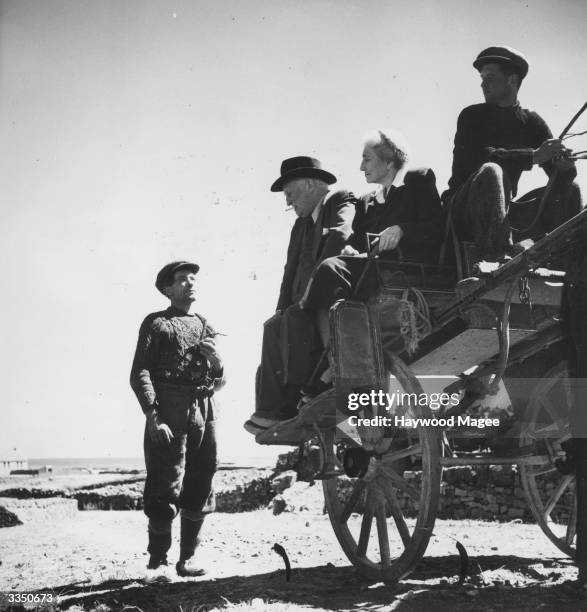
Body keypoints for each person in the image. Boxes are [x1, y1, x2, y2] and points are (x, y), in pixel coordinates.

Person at [244, 156, 356, 434]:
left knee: (294, 317)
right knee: (273, 325)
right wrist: (280, 307)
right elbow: (289, 271)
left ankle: (302, 393)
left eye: (289, 193)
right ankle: (270, 412)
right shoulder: (300, 226)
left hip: (334, 294)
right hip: (301, 305)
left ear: (310, 184)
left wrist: (312, 289)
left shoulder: (339, 200)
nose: (287, 202)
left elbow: (341, 236)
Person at [300, 129, 445, 342]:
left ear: (388, 162)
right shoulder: (367, 201)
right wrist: (351, 250)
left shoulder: (417, 179)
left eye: (367, 159)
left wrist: (402, 229)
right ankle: (334, 351)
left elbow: (436, 227)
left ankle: (335, 356)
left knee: (328, 269)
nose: (361, 167)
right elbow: (357, 243)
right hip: (373, 268)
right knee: (328, 276)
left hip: (408, 269)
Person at [130, 261, 224, 578]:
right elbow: (140, 372)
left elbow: (219, 380)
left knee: (202, 477)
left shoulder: (205, 324)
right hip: (167, 406)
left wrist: (218, 363)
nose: (190, 283)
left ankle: (188, 559)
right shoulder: (156, 323)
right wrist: (153, 416)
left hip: (204, 407)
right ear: (167, 289)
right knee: (164, 482)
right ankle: (158, 562)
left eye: (193, 278)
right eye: (182, 279)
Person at [444, 46, 582, 261]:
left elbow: (558, 174)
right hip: (464, 211)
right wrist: (534, 156)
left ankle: (572, 273)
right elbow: (484, 157)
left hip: (503, 214)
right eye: (481, 78)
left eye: (490, 77)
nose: (482, 83)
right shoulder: (471, 116)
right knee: (491, 171)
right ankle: (494, 259)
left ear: (512, 80)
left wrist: (564, 167)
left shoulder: (532, 122)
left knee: (571, 190)